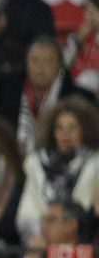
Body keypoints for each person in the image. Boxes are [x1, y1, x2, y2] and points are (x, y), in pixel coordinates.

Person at [15, 98, 99, 245]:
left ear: (84, 130)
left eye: (72, 128)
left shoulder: (95, 163)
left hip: (82, 240)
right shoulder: (35, 164)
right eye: (60, 128)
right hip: (41, 241)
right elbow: (27, 212)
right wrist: (47, 233)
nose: (65, 134)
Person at [0, 37, 94, 156]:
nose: (40, 67)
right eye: (34, 60)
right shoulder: (9, 93)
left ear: (60, 65)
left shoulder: (80, 97)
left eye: (47, 61)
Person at [66, 0, 99, 95]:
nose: (87, 16)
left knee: (88, 78)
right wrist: (77, 41)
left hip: (92, 90)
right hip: (74, 86)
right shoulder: (79, 37)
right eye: (86, 11)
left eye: (91, 12)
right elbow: (63, 67)